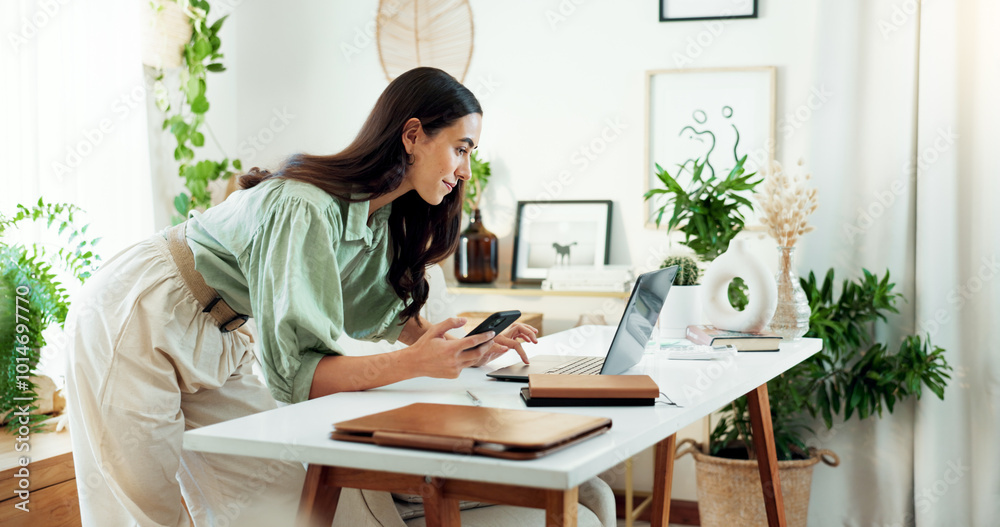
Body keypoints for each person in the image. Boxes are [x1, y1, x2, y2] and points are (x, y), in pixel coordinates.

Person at [65, 67, 538, 527]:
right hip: (139, 314)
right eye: (461, 149)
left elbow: (389, 314)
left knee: (282, 500)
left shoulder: (373, 220)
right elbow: (297, 376)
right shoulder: (306, 205)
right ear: (412, 135)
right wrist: (418, 363)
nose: (466, 170)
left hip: (222, 331)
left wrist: (468, 347)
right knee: (143, 514)